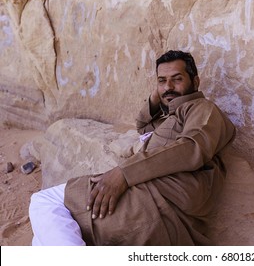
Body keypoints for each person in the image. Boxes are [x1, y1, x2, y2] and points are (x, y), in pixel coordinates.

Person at [29, 50, 236, 245]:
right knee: (41, 241)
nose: (168, 86)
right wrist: (162, 94)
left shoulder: (202, 108)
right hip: (148, 202)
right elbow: (143, 126)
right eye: (162, 81)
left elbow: (191, 148)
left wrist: (123, 173)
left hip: (151, 202)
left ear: (196, 81)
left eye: (177, 79)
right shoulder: (172, 116)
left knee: (42, 201)